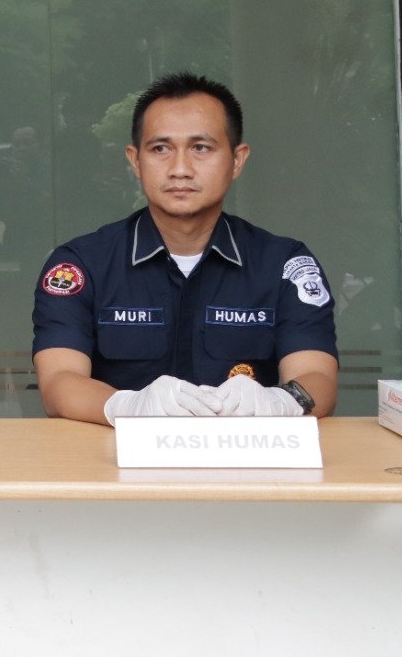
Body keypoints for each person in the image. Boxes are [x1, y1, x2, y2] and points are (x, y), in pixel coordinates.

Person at [32, 72, 338, 426]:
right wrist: (129, 407)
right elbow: (59, 382)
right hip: (114, 455)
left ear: (237, 160)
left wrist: (281, 401)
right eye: (160, 149)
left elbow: (318, 376)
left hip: (247, 454)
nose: (180, 169)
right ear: (135, 160)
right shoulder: (83, 264)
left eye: (201, 148)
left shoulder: (283, 264)